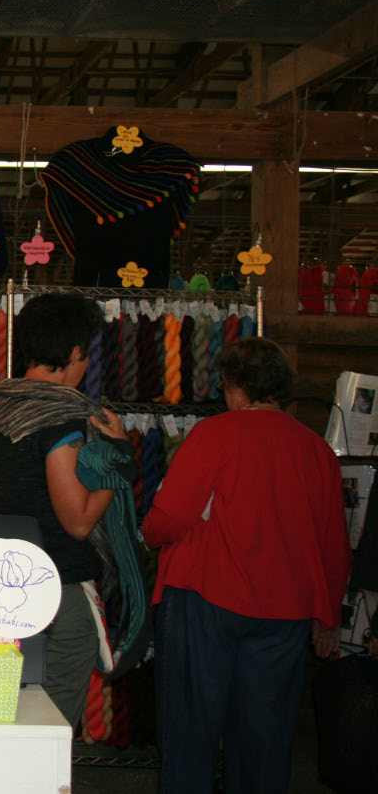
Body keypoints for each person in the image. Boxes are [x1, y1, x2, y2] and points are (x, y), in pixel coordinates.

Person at [143, 337, 351, 794]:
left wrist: (148, 533)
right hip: (286, 611)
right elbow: (334, 544)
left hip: (205, 597)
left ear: (236, 387)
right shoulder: (317, 452)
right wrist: (329, 618)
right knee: (266, 741)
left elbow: (170, 518)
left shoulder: (215, 434)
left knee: (191, 734)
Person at [0, 292, 128, 729]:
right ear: (74, 353)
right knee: (48, 735)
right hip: (58, 597)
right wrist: (118, 457)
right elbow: (79, 520)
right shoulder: (65, 417)